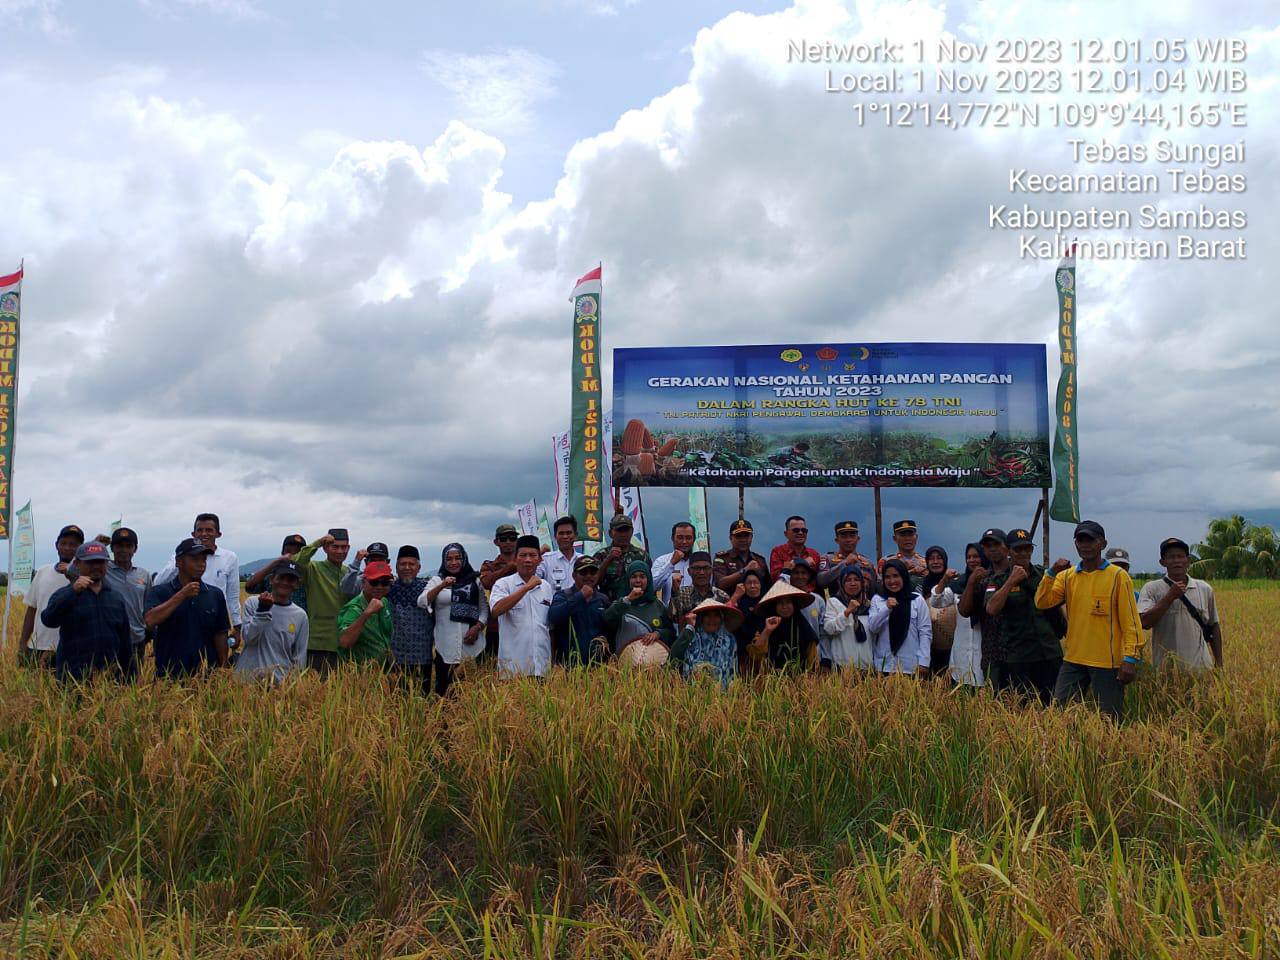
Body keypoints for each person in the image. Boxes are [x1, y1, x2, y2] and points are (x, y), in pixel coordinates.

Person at [1035, 520, 1143, 721]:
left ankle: (1107, 752)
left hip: (1107, 662)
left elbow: (1131, 621)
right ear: (1075, 544)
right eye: (1080, 540)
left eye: (1091, 540)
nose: (1085, 545)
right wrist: (1051, 573)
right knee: (1061, 715)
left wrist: (1130, 658)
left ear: (1102, 543)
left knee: (1109, 720)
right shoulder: (1067, 576)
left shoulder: (1118, 576)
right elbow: (1043, 601)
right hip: (1074, 659)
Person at [983, 528, 1063, 706]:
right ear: (1008, 551)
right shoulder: (998, 580)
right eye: (1018, 549)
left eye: (1027, 548)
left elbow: (1061, 601)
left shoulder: (1043, 575)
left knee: (1054, 707)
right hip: (1019, 657)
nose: (1023, 553)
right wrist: (1011, 581)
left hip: (1049, 652)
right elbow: (991, 608)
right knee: (1023, 708)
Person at [40, 540, 135, 683]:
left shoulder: (116, 598)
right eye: (90, 562)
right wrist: (73, 592)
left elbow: (125, 642)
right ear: (77, 564)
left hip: (110, 680)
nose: (96, 566)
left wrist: (130, 677)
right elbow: (48, 620)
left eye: (101, 562)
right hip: (73, 680)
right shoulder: (65, 594)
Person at [144, 537, 232, 678]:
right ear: (179, 562)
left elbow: (220, 633)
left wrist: (223, 667)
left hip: (207, 677)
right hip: (168, 676)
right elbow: (150, 620)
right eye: (195, 559)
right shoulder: (160, 592)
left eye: (203, 559)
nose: (201, 565)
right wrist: (182, 595)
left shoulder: (215, 594)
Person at [153, 513, 242, 649]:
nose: (204, 534)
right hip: (184, 618)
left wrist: (237, 627)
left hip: (214, 618)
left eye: (209, 530)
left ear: (218, 534)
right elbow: (159, 582)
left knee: (214, 660)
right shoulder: (180, 557)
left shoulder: (229, 558)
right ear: (193, 534)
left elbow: (233, 596)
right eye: (200, 530)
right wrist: (180, 561)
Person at [1138, 537, 1221, 672]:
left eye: (1180, 556)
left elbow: (1214, 627)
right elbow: (1145, 623)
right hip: (1165, 671)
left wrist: (1219, 665)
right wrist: (1170, 597)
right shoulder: (1151, 589)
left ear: (1188, 561)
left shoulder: (1204, 588)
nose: (1176, 561)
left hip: (1201, 669)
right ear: (1162, 562)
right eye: (1170, 557)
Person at [421, 543, 488, 695]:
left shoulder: (475, 581)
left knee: (473, 695)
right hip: (445, 649)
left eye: (458, 558)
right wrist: (442, 585)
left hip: (473, 648)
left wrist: (477, 628)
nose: (453, 562)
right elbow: (422, 601)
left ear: (464, 559)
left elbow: (484, 610)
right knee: (444, 695)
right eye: (449, 559)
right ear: (443, 561)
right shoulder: (437, 580)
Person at [489, 535, 556, 678]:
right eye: (523, 555)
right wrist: (526, 587)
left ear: (539, 559)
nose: (528, 560)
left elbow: (548, 626)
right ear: (515, 558)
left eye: (532, 555)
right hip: (513, 669)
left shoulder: (546, 587)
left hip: (541, 667)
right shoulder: (503, 584)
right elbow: (496, 610)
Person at [18, 523, 84, 668]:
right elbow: (32, 609)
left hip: (70, 649)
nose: (67, 548)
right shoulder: (43, 572)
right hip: (37, 647)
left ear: (81, 548)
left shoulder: (85, 577)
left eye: (73, 544)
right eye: (63, 543)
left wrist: (72, 572)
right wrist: (23, 643)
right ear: (56, 545)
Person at [292, 529, 354, 674]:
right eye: (335, 547)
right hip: (318, 644)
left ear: (348, 548)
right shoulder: (313, 569)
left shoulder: (349, 573)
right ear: (326, 548)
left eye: (343, 547)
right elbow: (296, 562)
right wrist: (317, 543)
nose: (340, 551)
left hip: (345, 643)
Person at [236, 563, 309, 684]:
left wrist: (293, 685)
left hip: (279, 683)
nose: (285, 582)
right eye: (281, 578)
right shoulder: (253, 604)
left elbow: (299, 656)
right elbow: (249, 638)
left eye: (291, 579)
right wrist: (262, 611)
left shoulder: (300, 616)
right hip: (247, 682)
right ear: (271, 579)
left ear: (297, 584)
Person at [867, 558, 932, 676]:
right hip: (884, 666)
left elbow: (925, 632)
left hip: (911, 666)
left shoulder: (917, 600)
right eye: (887, 577)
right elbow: (873, 628)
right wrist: (886, 608)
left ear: (904, 576)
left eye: (896, 576)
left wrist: (924, 661)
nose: (892, 581)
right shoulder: (878, 599)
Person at [602, 561, 675, 661]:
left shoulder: (658, 605)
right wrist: (629, 599)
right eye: (633, 577)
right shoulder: (621, 603)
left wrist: (658, 634)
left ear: (648, 579)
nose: (638, 580)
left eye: (642, 577)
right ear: (628, 580)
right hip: (625, 664)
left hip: (654, 665)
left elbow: (671, 632)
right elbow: (607, 620)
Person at [549, 555, 611, 667]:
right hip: (569, 668)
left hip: (599, 668)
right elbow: (554, 617)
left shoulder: (603, 599)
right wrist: (580, 596)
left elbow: (610, 630)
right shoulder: (563, 596)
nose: (588, 576)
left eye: (593, 572)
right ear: (574, 575)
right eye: (583, 573)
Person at [386, 546, 433, 691]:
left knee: (421, 701)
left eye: (411, 564)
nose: (407, 567)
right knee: (394, 702)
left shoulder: (428, 589)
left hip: (422, 657)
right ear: (396, 566)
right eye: (402, 564)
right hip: (394, 658)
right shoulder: (387, 588)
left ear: (419, 567)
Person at [746, 579, 818, 671]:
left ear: (794, 605)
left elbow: (813, 661)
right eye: (780, 603)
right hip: (770, 681)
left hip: (799, 681)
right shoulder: (765, 626)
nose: (785, 606)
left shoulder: (803, 627)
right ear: (774, 606)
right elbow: (755, 656)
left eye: (788, 602)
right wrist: (767, 631)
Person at [669, 599, 742, 689]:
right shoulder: (691, 636)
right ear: (700, 619)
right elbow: (674, 656)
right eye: (707, 616)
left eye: (716, 616)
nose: (712, 620)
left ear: (721, 618)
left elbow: (732, 670)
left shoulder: (729, 640)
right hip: (694, 692)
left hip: (721, 694)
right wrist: (689, 627)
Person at [101, 528, 152, 655]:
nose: (124, 550)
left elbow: (148, 606)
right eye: (119, 546)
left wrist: (149, 633)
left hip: (137, 639)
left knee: (135, 675)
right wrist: (96, 544)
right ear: (112, 548)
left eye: (128, 546)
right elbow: (73, 571)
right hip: (109, 638)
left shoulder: (144, 575)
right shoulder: (103, 570)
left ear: (135, 549)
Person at [336, 560, 394, 666]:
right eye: (374, 582)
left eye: (385, 583)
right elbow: (344, 642)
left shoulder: (384, 602)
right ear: (363, 582)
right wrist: (366, 614)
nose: (379, 587)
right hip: (359, 674)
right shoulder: (354, 608)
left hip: (382, 671)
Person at [947, 543, 988, 688]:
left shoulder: (992, 581)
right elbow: (937, 600)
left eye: (976, 556)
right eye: (968, 557)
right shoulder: (960, 584)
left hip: (985, 652)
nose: (972, 560)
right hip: (961, 657)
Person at [479, 523, 521, 659]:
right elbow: (486, 582)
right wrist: (508, 568)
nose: (508, 542)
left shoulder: (526, 563)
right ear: (496, 542)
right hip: (497, 626)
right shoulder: (489, 565)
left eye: (512, 538)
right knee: (492, 668)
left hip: (522, 624)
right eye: (503, 539)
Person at [822, 568, 874, 672]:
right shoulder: (834, 602)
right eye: (848, 580)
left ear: (862, 583)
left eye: (856, 579)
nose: (852, 583)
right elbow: (829, 629)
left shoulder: (870, 605)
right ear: (841, 583)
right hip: (842, 668)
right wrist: (846, 612)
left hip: (867, 669)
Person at [592, 514, 651, 603]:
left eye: (626, 530)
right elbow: (593, 581)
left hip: (636, 606)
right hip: (608, 606)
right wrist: (608, 560)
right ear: (610, 533)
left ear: (632, 531)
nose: (623, 534)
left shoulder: (642, 556)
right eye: (619, 530)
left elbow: (649, 584)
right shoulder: (601, 555)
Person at [920, 546, 959, 679]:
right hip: (930, 648)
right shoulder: (922, 584)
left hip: (951, 646)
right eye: (931, 559)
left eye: (939, 558)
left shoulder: (955, 583)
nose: (935, 562)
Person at [244, 534, 308, 610]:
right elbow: (249, 587)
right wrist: (275, 563)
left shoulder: (311, 575)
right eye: (288, 552)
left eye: (298, 553)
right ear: (282, 553)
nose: (292, 556)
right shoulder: (274, 576)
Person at [817, 520, 877, 599]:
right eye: (844, 536)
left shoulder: (867, 562)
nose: (848, 540)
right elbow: (821, 580)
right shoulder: (828, 558)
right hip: (836, 607)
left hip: (863, 607)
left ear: (858, 539)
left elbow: (874, 588)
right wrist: (844, 564)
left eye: (852, 536)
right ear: (837, 540)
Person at [787, 558, 828, 668]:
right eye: (796, 573)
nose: (800, 576)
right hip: (788, 654)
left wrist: (825, 658)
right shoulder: (785, 599)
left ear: (809, 576)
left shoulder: (817, 600)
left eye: (804, 573)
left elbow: (823, 632)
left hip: (813, 654)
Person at [669, 550, 730, 623]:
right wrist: (675, 593)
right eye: (697, 568)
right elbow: (674, 619)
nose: (702, 572)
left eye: (706, 568)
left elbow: (728, 622)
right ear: (689, 571)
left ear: (712, 570)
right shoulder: (681, 594)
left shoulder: (722, 595)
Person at [712, 518, 769, 593]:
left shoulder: (760, 560)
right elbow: (721, 583)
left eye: (746, 535)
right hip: (729, 602)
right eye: (738, 536)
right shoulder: (722, 558)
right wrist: (745, 570)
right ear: (730, 538)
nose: (743, 539)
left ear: (751, 537)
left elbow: (768, 587)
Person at [731, 568, 768, 674]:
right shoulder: (738, 605)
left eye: (756, 582)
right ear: (743, 586)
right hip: (743, 656)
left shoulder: (767, 604)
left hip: (765, 656)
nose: (752, 586)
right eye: (749, 583)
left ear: (761, 585)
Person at [652, 521, 697, 605]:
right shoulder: (661, 561)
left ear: (694, 539)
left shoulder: (699, 562)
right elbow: (652, 586)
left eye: (688, 538)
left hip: (696, 614)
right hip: (670, 614)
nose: (684, 542)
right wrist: (671, 563)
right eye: (680, 538)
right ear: (672, 538)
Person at [537, 515, 583, 595]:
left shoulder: (583, 560)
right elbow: (530, 579)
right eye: (561, 533)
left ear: (575, 535)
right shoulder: (545, 560)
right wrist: (538, 554)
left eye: (568, 533)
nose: (565, 537)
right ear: (555, 536)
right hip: (554, 606)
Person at [877, 519, 928, 589]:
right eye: (903, 535)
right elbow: (881, 586)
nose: (907, 538)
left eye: (910, 535)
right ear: (895, 538)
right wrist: (910, 572)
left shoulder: (925, 563)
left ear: (916, 537)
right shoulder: (886, 561)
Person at [769, 515, 821, 581]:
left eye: (804, 530)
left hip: (809, 591)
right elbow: (776, 579)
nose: (800, 533)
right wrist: (804, 563)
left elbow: (820, 581)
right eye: (796, 530)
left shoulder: (814, 554)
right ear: (786, 533)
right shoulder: (778, 552)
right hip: (787, 590)